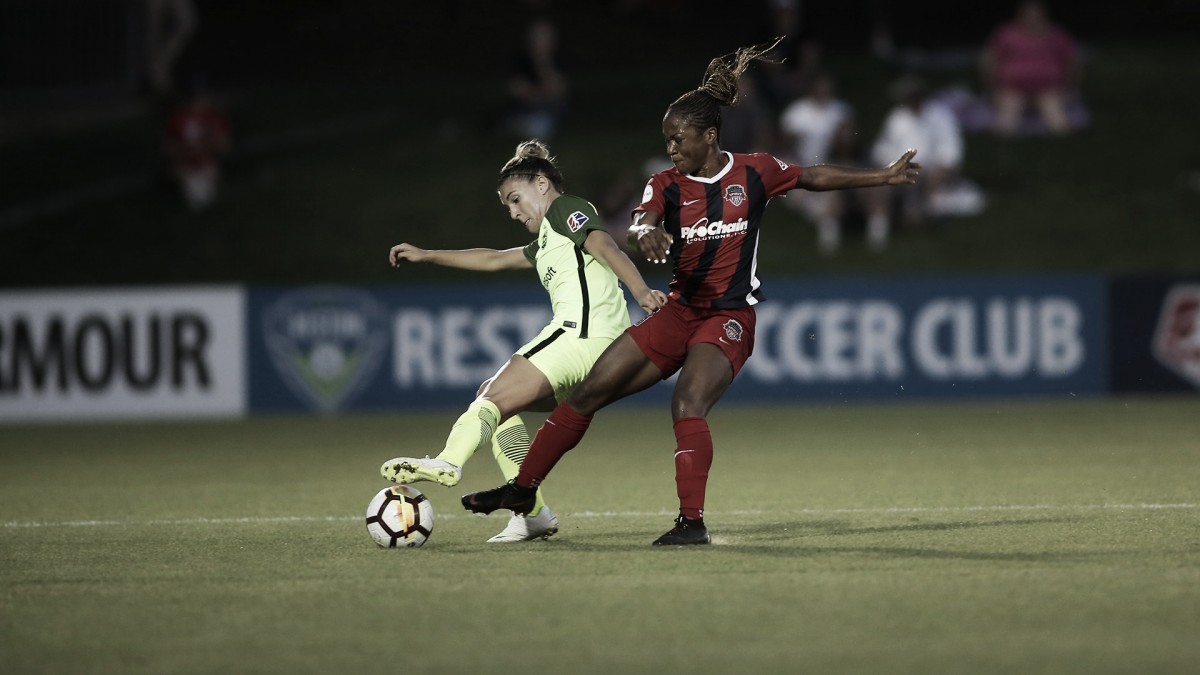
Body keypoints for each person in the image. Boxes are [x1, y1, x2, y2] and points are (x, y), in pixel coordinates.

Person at [461, 40, 920, 545]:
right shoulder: (664, 183)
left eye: (679, 139)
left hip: (728, 318)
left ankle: (691, 524)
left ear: (709, 134)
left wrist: (883, 176)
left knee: (686, 404)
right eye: (667, 140)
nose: (672, 149)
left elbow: (812, 176)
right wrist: (649, 233)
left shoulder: (755, 171)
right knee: (590, 391)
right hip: (677, 313)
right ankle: (524, 489)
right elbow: (643, 223)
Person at [380, 140, 667, 543]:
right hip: (598, 348)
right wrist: (428, 255)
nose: (514, 212)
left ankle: (448, 460)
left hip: (581, 333)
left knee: (491, 397)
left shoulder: (566, 209)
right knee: (499, 406)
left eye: (516, 199)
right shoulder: (548, 239)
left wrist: (640, 292)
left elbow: (605, 244)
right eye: (507, 206)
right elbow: (494, 258)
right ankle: (530, 511)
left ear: (542, 184)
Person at [866, 73, 983, 249]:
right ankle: (878, 229)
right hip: (900, 169)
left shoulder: (940, 116)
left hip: (930, 170)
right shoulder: (897, 117)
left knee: (921, 183)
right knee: (876, 183)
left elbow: (950, 152)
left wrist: (936, 170)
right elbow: (884, 148)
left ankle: (920, 219)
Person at [778, 71, 859, 254]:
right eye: (820, 87)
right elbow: (783, 142)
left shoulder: (841, 110)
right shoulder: (797, 111)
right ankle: (817, 212)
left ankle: (828, 225)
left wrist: (841, 140)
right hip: (799, 161)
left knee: (828, 188)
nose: (824, 91)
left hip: (829, 161)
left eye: (827, 87)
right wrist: (793, 139)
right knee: (798, 185)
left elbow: (851, 141)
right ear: (812, 89)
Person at [981, 0, 1081, 136]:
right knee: (1005, 122)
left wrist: (1069, 89)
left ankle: (1064, 149)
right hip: (1011, 89)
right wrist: (992, 87)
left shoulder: (1057, 35)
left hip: (1048, 89)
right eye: (1028, 14)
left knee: (1058, 121)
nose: (1032, 17)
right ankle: (1001, 151)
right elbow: (990, 59)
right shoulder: (1006, 34)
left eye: (1035, 14)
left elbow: (1072, 62)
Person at [502, 18, 569, 140]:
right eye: (537, 38)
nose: (541, 43)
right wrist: (542, 93)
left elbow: (557, 90)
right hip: (523, 109)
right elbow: (517, 90)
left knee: (543, 124)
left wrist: (542, 63)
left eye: (546, 39)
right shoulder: (520, 60)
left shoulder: (558, 60)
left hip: (547, 111)